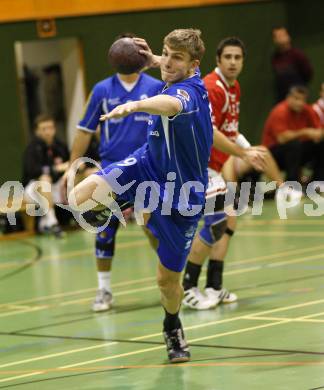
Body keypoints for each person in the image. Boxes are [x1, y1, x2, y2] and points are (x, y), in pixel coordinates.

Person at [68, 29, 265, 363]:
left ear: (193, 66)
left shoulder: (188, 93)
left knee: (166, 281)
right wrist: (155, 59)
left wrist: (135, 105)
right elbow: (169, 65)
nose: (167, 62)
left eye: (176, 57)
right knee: (79, 197)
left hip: (182, 194)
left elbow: (169, 103)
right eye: (166, 53)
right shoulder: (185, 71)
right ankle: (129, 203)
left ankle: (172, 325)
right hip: (148, 164)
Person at [65, 33, 163, 312]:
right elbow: (85, 130)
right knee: (105, 229)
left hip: (146, 168)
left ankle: (173, 276)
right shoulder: (102, 90)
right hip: (111, 170)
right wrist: (74, 166)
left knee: (153, 227)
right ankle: (104, 290)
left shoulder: (156, 87)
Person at [182, 37, 280, 311]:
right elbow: (211, 134)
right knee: (215, 224)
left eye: (238, 57)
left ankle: (214, 284)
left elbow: (230, 129)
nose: (233, 62)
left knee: (230, 219)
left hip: (214, 166)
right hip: (197, 166)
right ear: (218, 60)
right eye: (228, 57)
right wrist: (243, 155)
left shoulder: (233, 87)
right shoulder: (213, 88)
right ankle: (188, 286)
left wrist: (249, 150)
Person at [262, 85, 324, 183]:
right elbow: (281, 139)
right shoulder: (280, 111)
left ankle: (317, 183)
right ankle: (292, 184)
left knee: (320, 145)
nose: (299, 103)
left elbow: (319, 131)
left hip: (296, 151)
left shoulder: (307, 110)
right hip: (272, 155)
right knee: (294, 145)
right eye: (296, 99)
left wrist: (318, 134)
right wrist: (305, 132)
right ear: (288, 98)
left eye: (303, 100)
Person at [22, 114, 69, 237]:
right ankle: (53, 223)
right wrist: (55, 169)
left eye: (51, 128)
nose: (48, 132)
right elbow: (33, 171)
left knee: (80, 177)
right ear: (37, 131)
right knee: (44, 180)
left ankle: (89, 215)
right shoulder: (32, 148)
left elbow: (70, 164)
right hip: (34, 190)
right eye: (44, 129)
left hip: (56, 186)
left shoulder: (60, 146)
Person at [272, 27, 313, 102]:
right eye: (277, 36)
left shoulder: (298, 54)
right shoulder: (275, 57)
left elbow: (308, 73)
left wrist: (299, 92)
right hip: (282, 99)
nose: (280, 38)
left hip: (298, 98)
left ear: (288, 36)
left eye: (282, 35)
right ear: (274, 40)